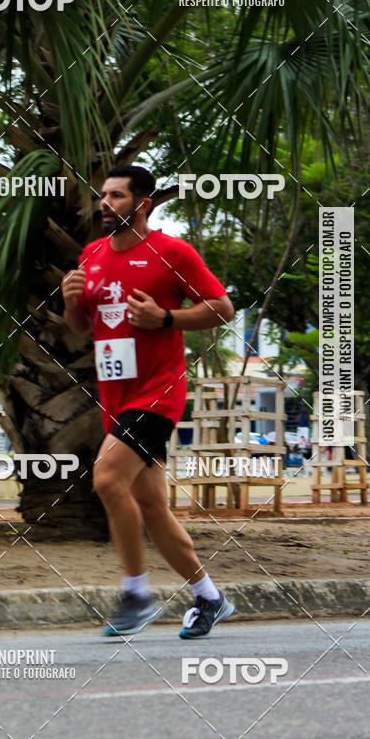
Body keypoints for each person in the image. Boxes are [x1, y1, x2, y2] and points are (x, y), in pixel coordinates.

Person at [62, 164, 236, 638]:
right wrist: (71, 302)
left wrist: (165, 319)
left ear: (143, 204)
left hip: (158, 393)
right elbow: (83, 329)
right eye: (103, 195)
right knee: (152, 506)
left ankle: (137, 593)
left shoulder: (171, 252)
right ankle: (210, 597)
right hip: (115, 397)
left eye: (116, 196)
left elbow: (222, 309)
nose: (105, 203)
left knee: (105, 477)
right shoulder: (92, 253)